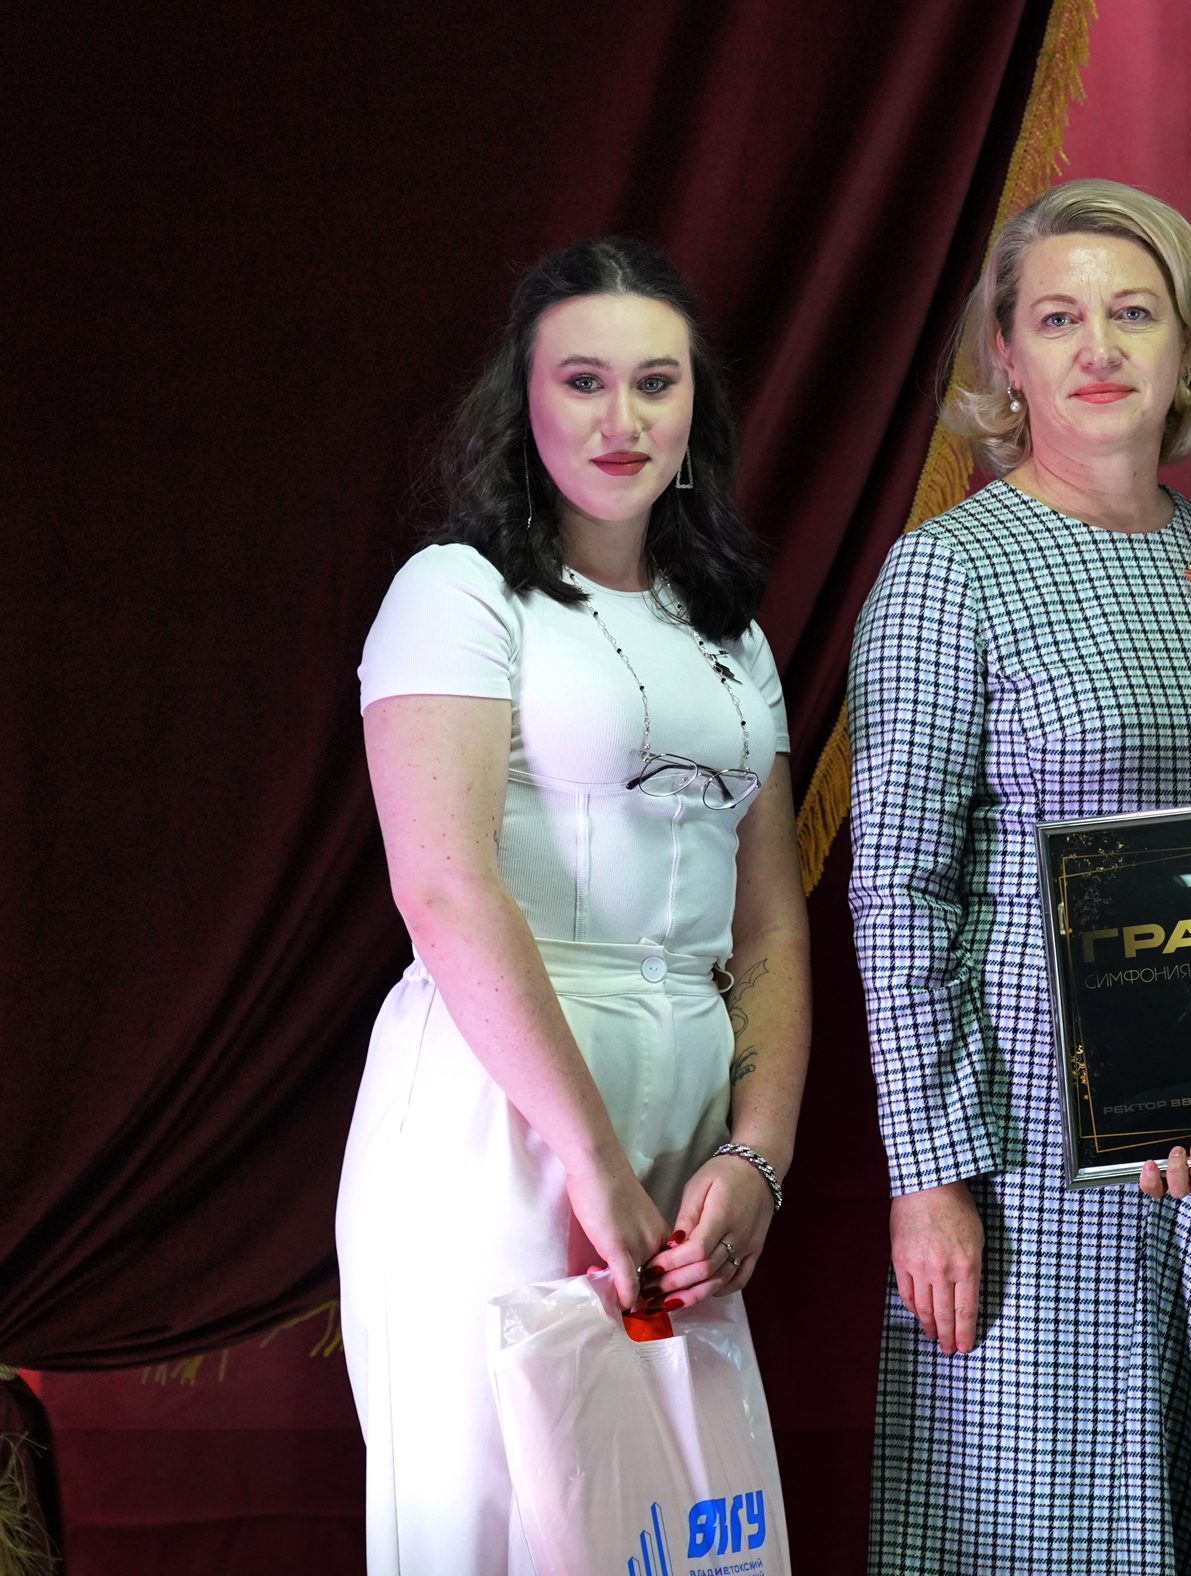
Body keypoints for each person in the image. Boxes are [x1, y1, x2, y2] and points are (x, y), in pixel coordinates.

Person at [848, 178, 1191, 1574]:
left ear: (1189, 347)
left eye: (1134, 314)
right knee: (1050, 1519)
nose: (1097, 348)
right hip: (1033, 1154)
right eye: (1057, 319)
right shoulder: (947, 572)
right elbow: (896, 890)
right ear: (1005, 353)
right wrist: (929, 1175)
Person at [337, 237, 813, 1575]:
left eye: (655, 383)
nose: (622, 419)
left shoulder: (731, 633)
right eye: (584, 381)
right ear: (525, 400)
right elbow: (442, 885)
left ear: (694, 409)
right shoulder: (456, 593)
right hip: (496, 1113)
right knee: (489, 1524)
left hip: (686, 1123)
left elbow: (771, 922)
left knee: (658, 1534)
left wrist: (758, 1157)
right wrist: (594, 1168)